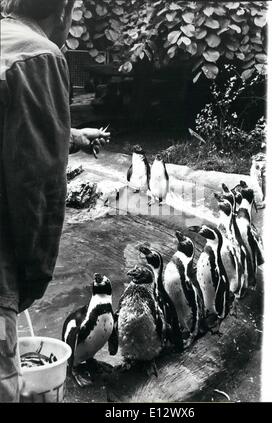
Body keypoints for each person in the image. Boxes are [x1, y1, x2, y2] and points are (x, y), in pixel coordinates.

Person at [0, 0, 109, 402]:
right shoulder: (39, 55)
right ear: (63, 11)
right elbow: (36, 185)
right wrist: (29, 277)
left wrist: (71, 137)